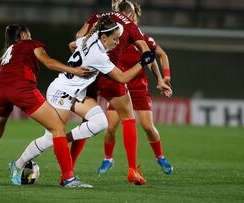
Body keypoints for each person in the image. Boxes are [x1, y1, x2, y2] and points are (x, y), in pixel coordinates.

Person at [11, 15, 165, 187]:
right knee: (49, 137)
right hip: (61, 92)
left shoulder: (90, 38)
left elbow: (72, 45)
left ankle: (61, 140)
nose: (116, 43)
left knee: (100, 122)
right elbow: (122, 78)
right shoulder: (99, 56)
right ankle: (18, 164)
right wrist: (142, 62)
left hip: (76, 92)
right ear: (104, 37)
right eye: (114, 39)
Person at [0, 24, 95, 188]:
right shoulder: (30, 43)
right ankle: (69, 178)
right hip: (21, 88)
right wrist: (73, 70)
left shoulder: (9, 51)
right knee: (58, 128)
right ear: (25, 34)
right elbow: (48, 62)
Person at [68, 0, 172, 185]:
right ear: (131, 15)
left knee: (87, 120)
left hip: (87, 72)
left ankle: (68, 171)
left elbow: (78, 37)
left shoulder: (98, 17)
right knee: (128, 118)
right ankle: (132, 169)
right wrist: (160, 79)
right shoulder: (130, 25)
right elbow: (148, 53)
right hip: (110, 75)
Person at [97, 1, 173, 175]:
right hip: (119, 87)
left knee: (148, 126)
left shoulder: (143, 38)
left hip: (138, 88)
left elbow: (155, 56)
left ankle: (160, 156)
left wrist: (162, 78)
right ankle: (108, 159)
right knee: (111, 127)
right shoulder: (114, 38)